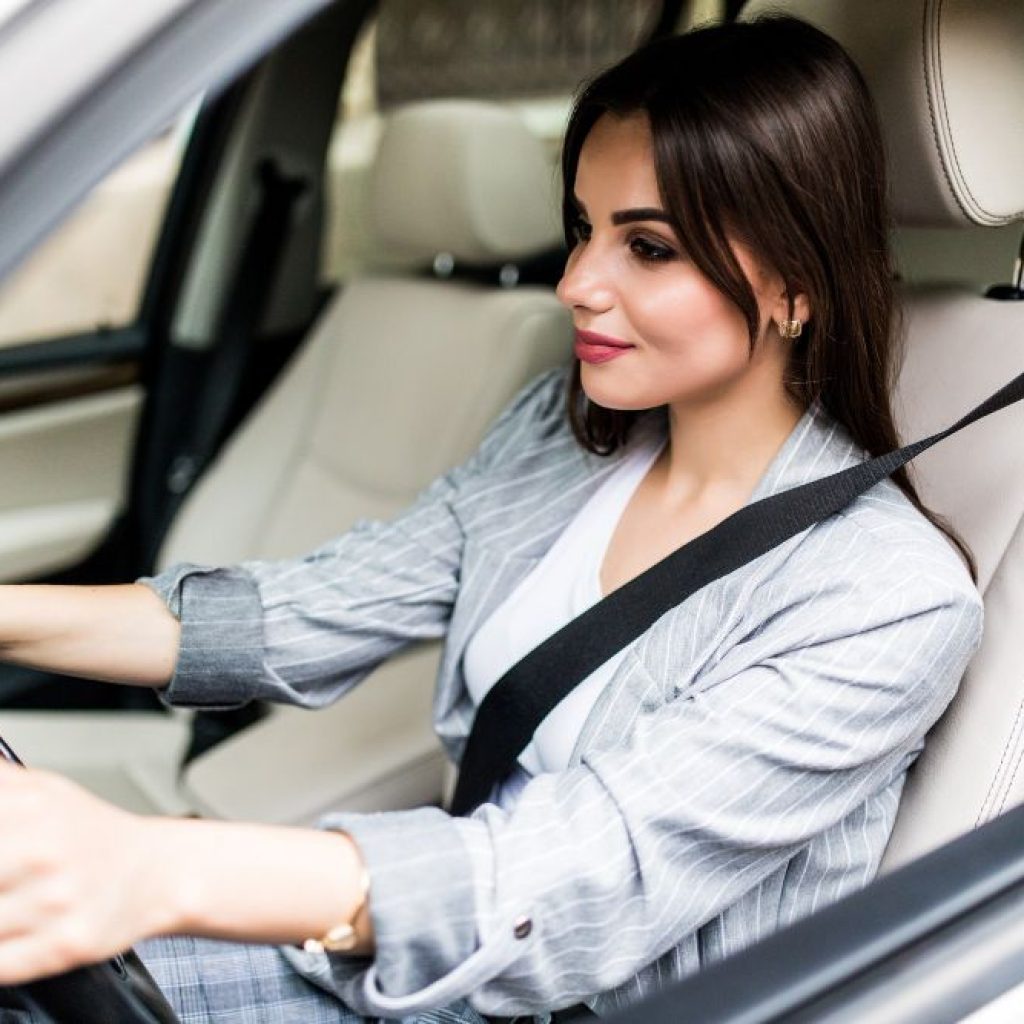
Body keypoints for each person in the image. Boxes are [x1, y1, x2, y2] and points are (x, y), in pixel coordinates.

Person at [0, 14, 983, 1024]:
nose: (574, 285)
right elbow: (298, 611)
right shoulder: (559, 447)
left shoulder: (883, 597)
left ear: (793, 285)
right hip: (432, 960)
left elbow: (569, 880)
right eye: (582, 230)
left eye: (646, 246)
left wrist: (148, 864)